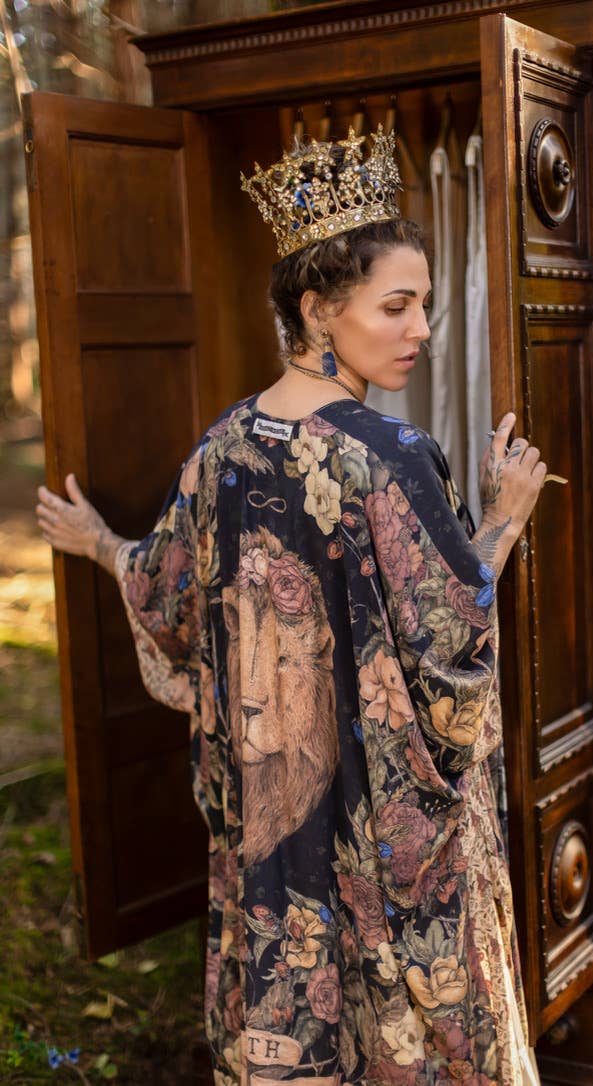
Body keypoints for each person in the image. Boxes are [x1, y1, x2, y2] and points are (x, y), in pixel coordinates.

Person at [37, 127, 547, 1086]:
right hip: (378, 839)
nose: (421, 329)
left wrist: (99, 542)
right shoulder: (394, 458)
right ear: (317, 310)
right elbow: (447, 651)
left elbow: (165, 588)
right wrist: (503, 520)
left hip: (272, 829)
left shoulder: (220, 447)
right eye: (396, 306)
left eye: (425, 305)